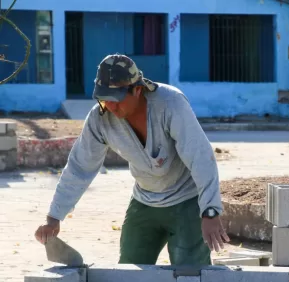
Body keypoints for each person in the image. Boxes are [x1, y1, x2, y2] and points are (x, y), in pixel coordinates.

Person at [34, 53, 230, 266]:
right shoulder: (99, 119)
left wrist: (210, 211)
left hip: (187, 201)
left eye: (116, 100)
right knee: (128, 271)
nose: (111, 107)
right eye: (105, 99)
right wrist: (53, 219)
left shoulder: (170, 103)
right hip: (144, 200)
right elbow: (79, 167)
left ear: (137, 90)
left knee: (190, 277)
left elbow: (200, 156)